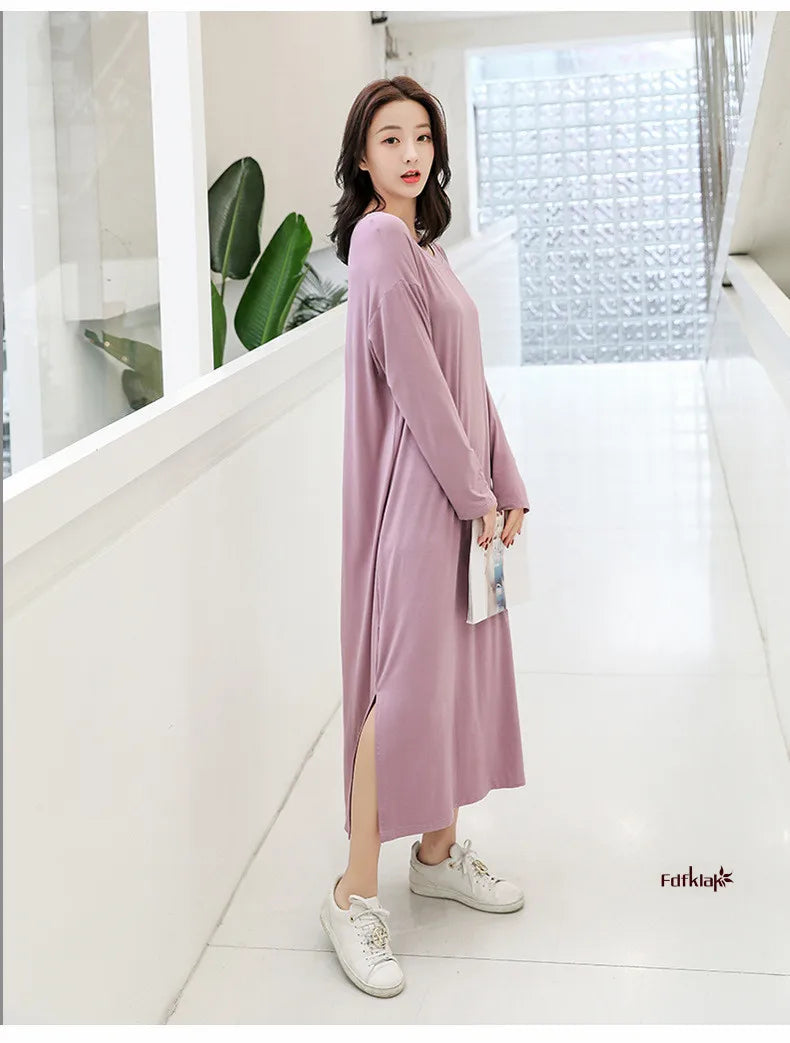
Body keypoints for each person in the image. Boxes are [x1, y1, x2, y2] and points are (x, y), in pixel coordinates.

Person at [320, 76, 530, 999]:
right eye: (389, 139)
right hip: (417, 499)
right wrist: (474, 492)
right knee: (400, 690)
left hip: (459, 494)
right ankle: (352, 892)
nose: (410, 153)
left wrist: (505, 479)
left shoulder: (427, 248)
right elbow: (414, 385)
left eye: (421, 137)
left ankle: (438, 853)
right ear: (362, 158)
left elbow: (465, 383)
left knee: (452, 678)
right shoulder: (377, 241)